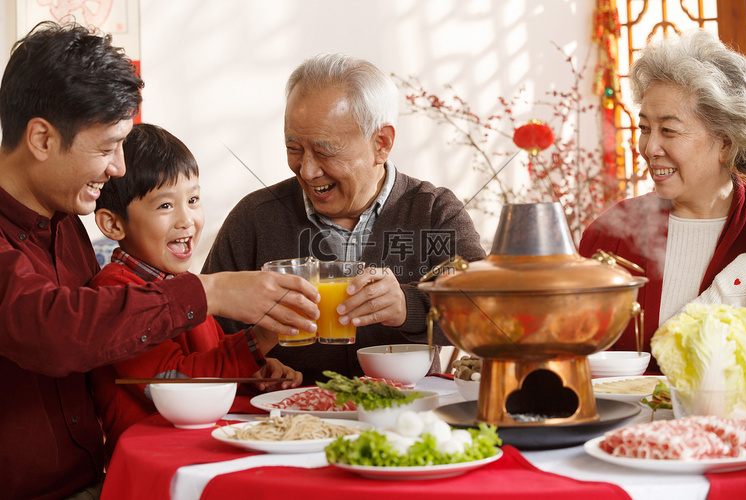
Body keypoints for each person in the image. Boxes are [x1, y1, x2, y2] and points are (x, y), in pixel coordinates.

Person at [0, 22, 318, 499]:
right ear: (42, 139)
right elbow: (52, 330)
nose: (118, 168)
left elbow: (109, 341)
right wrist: (211, 291)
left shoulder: (65, 224)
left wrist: (252, 363)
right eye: (107, 148)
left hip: (96, 481)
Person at [202, 53, 486, 385]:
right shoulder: (254, 218)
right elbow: (206, 337)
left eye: (324, 151)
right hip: (287, 418)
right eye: (294, 148)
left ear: (381, 144)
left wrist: (407, 306)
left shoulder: (433, 212)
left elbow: (486, 315)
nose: (307, 171)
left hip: (401, 418)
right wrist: (248, 367)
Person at [89, 122, 304, 461]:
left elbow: (213, 361)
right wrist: (262, 335)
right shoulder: (115, 291)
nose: (187, 219)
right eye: (165, 206)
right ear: (114, 224)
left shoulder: (184, 285)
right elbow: (174, 384)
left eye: (192, 199)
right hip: (153, 464)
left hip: (198, 450)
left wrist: (258, 374)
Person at [578, 29, 746, 372]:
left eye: (668, 130)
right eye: (645, 128)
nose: (650, 148)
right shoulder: (610, 236)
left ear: (726, 143)